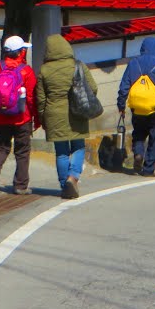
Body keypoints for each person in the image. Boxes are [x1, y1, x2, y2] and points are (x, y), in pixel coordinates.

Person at [37, 34, 99, 199]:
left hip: (54, 114)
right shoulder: (77, 65)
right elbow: (93, 87)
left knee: (61, 152)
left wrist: (43, 117)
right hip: (76, 112)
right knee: (78, 146)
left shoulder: (44, 70)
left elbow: (41, 99)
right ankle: (73, 177)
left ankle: (65, 185)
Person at [0, 35, 38, 196]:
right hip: (21, 118)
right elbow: (32, 98)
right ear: (20, 52)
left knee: (0, 147)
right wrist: (35, 117)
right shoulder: (26, 71)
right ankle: (20, 186)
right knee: (22, 151)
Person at [116, 36, 155, 178]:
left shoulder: (133, 63)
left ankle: (138, 153)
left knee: (139, 133)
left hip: (137, 107)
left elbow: (124, 86)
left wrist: (121, 105)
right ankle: (148, 170)